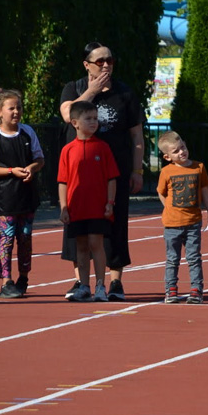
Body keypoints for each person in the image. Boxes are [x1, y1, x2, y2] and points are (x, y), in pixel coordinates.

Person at [59, 42, 145, 301]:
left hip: (114, 172)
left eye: (110, 60)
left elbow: (137, 135)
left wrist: (137, 169)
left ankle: (115, 281)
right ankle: (80, 281)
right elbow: (67, 115)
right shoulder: (73, 88)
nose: (106, 65)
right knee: (78, 226)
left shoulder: (125, 93)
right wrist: (92, 91)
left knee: (115, 222)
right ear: (87, 65)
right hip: (80, 174)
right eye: (100, 61)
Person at [0, 89, 44, 299]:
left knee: (25, 237)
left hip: (27, 196)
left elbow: (39, 159)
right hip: (6, 196)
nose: (16, 112)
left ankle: (23, 277)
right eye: (11, 108)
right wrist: (11, 171)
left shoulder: (27, 132)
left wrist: (32, 169)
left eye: (19, 107)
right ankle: (6, 281)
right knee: (6, 239)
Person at [58, 101, 119, 302]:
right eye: (88, 119)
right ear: (75, 122)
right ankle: (84, 285)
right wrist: (64, 206)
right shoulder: (67, 150)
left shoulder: (103, 147)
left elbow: (112, 178)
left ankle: (101, 286)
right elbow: (63, 181)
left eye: (95, 118)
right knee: (81, 247)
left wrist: (110, 202)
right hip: (77, 207)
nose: (94, 122)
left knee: (96, 243)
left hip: (98, 207)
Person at [156, 131, 208, 305]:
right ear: (168, 157)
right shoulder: (166, 172)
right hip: (172, 224)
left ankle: (196, 290)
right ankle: (171, 290)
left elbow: (205, 191)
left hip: (193, 222)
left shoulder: (199, 167)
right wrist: (167, 206)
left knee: (194, 257)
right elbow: (161, 192)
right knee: (172, 259)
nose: (181, 152)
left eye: (182, 147)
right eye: (176, 151)